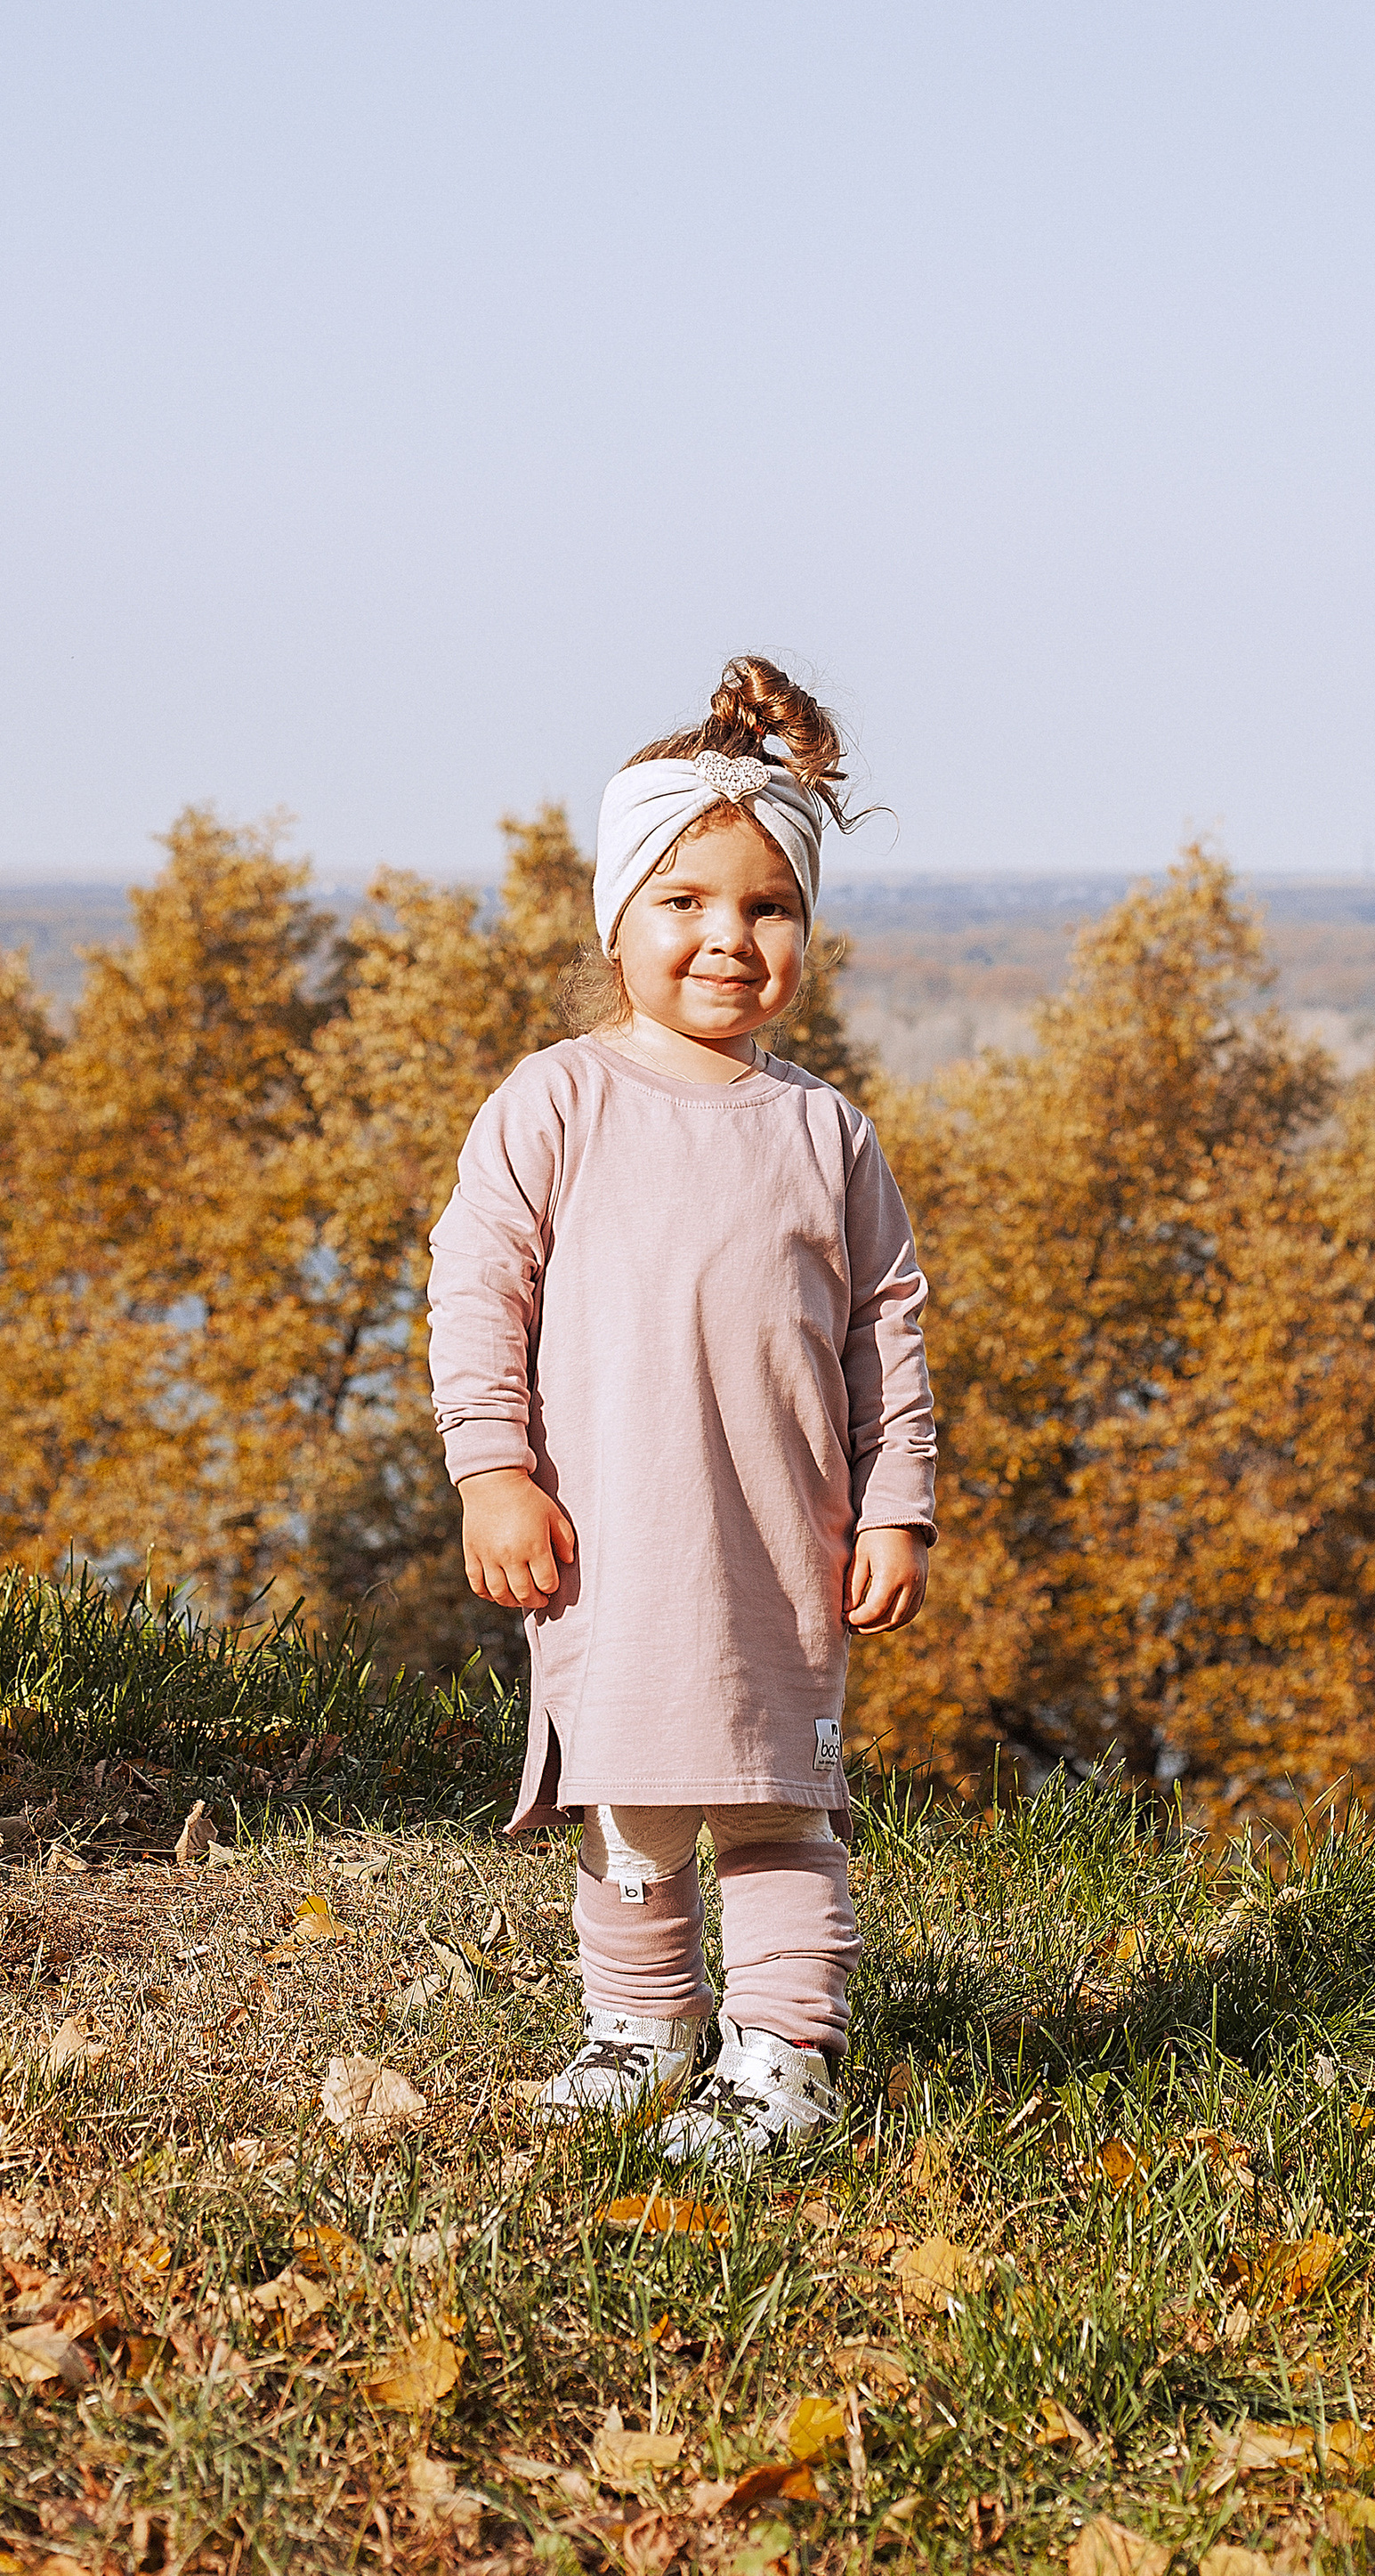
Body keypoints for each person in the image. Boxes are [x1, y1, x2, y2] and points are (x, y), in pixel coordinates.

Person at [425, 655, 937, 2164]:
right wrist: (492, 1473)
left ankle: (783, 2055)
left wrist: (897, 1501)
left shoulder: (826, 1135)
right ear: (618, 919)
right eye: (686, 903)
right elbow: (478, 1294)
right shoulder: (556, 1101)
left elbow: (886, 1330)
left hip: (784, 1538)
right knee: (632, 1799)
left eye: (767, 908)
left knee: (776, 1803)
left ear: (808, 932)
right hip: (612, 1533)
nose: (728, 938)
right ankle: (639, 2031)